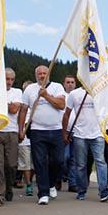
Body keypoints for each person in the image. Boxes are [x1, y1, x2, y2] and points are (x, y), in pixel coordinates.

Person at [20, 65, 66, 206]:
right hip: (37, 130)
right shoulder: (30, 89)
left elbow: (61, 105)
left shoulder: (57, 87)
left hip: (56, 130)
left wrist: (46, 95)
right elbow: (23, 110)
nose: (42, 75)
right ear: (36, 76)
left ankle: (51, 183)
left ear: (49, 74)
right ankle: (43, 193)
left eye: (44, 73)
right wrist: (20, 129)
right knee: (39, 162)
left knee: (58, 161)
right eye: (39, 73)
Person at [62, 87, 108, 202]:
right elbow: (67, 113)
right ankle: (81, 190)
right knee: (81, 164)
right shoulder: (74, 94)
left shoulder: (100, 92)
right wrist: (65, 132)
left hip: (98, 133)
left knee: (101, 161)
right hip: (80, 134)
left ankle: (104, 190)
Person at [0, 68, 22, 207]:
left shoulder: (17, 92)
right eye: (6, 79)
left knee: (11, 165)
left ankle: (8, 187)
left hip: (11, 132)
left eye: (11, 79)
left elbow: (14, 109)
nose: (9, 82)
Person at [16, 80, 34, 196]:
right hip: (24, 138)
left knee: (34, 163)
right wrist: (20, 131)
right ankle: (28, 184)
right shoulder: (20, 103)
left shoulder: (37, 103)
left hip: (36, 136)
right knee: (26, 163)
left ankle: (30, 180)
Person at [61, 74, 78, 191]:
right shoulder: (62, 96)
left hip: (77, 131)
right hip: (64, 131)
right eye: (68, 82)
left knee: (74, 159)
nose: (70, 84)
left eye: (72, 82)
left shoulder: (78, 96)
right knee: (64, 157)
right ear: (64, 84)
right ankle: (60, 176)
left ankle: (72, 183)